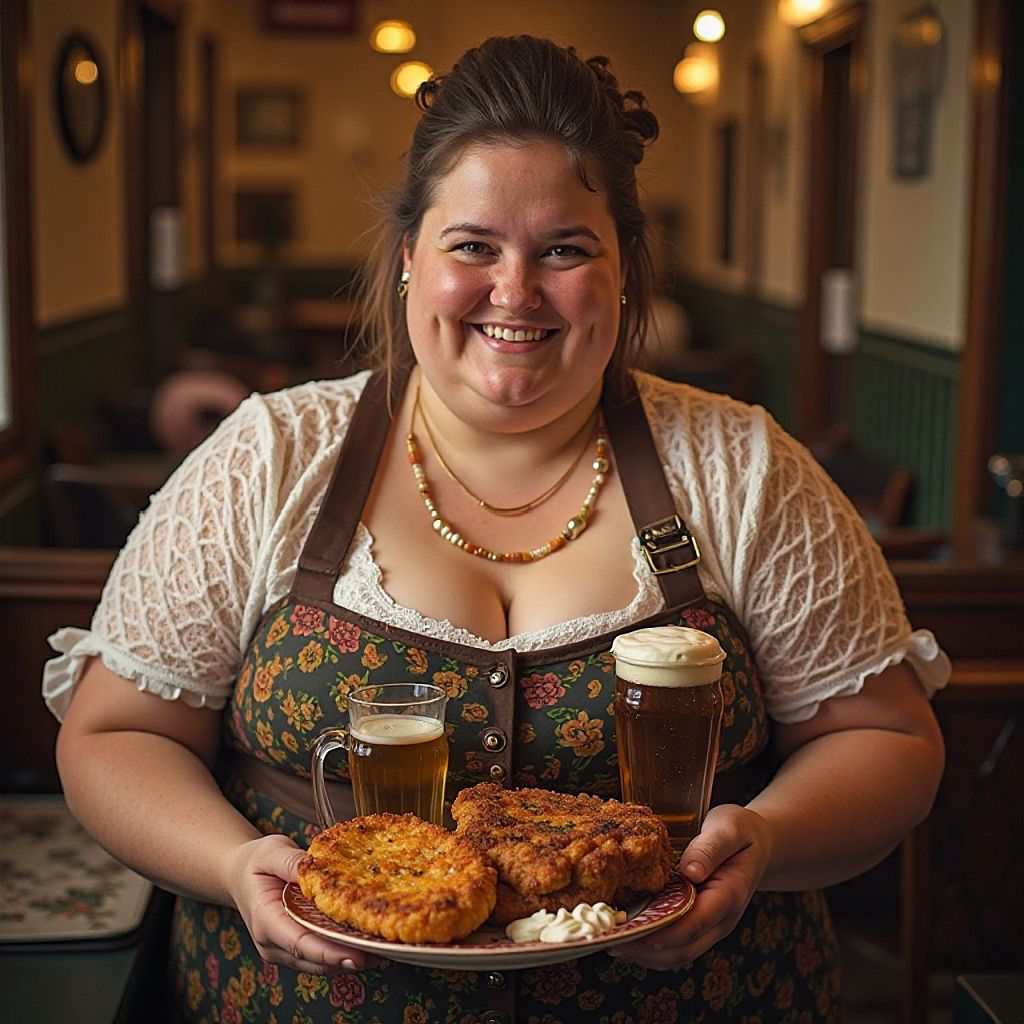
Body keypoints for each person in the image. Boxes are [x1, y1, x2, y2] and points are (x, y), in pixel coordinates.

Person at [43, 35, 948, 1023]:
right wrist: (228, 860)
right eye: (472, 245)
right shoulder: (268, 459)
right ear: (407, 261)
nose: (513, 291)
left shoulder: (744, 469)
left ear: (622, 272)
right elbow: (115, 730)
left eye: (564, 249)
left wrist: (765, 839)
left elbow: (887, 737)